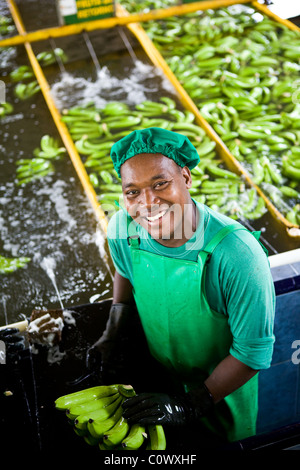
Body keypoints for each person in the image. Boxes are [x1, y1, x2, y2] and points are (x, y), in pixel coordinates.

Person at [87, 127, 275, 447]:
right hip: (157, 377)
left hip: (220, 395)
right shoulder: (123, 228)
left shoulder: (235, 255)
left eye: (160, 183)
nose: (147, 202)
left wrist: (189, 404)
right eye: (132, 191)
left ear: (186, 178)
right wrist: (113, 330)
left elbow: (251, 353)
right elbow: (125, 272)